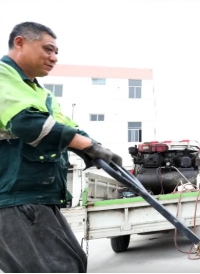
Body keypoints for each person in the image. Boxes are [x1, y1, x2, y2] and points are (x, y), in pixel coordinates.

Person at [0, 22, 123, 273]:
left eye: (57, 52)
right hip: (11, 197)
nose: (54, 58)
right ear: (20, 42)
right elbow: (28, 122)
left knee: (73, 262)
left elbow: (67, 127)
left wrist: (97, 149)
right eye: (48, 49)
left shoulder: (39, 92)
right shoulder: (3, 77)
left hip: (34, 195)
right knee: (59, 268)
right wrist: (86, 145)